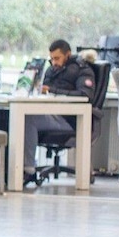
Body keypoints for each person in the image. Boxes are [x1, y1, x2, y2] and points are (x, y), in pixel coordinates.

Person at [21, 38, 96, 187]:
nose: (54, 62)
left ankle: (27, 170)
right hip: (51, 115)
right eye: (51, 59)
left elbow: (85, 95)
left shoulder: (82, 70)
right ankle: (10, 168)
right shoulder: (50, 70)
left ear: (67, 54)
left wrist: (51, 90)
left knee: (29, 119)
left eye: (57, 58)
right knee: (16, 116)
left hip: (70, 120)